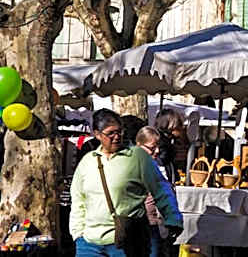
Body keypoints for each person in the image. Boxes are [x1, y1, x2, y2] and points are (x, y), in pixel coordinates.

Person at [70, 109, 182, 257]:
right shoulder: (88, 161)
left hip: (126, 242)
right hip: (89, 244)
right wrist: (78, 234)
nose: (116, 137)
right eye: (110, 133)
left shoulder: (138, 157)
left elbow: (161, 188)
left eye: (119, 132)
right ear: (97, 134)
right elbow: (78, 199)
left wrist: (173, 219)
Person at [135, 127, 177, 257]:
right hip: (137, 226)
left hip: (154, 225)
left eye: (157, 147)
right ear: (139, 145)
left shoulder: (156, 165)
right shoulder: (131, 166)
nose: (157, 151)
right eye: (152, 148)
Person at [154, 109, 187, 181]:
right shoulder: (161, 143)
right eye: (179, 125)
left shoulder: (167, 141)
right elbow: (162, 163)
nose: (182, 128)